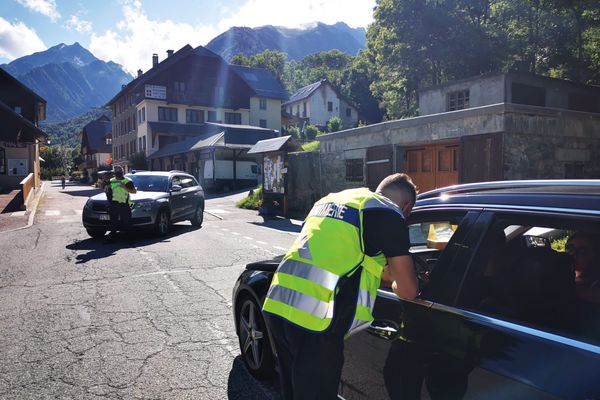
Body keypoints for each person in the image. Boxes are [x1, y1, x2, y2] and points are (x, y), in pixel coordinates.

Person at [262, 173, 418, 400]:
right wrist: (399, 281)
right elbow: (409, 291)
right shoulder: (388, 213)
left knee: (295, 392)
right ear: (406, 207)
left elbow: (339, 256)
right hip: (315, 320)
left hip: (278, 305)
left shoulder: (333, 200)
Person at [106, 166, 136, 243]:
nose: (117, 173)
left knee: (127, 222)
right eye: (116, 171)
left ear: (122, 172)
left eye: (119, 171)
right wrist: (106, 188)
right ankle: (112, 239)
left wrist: (125, 187)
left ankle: (131, 240)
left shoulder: (127, 181)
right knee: (113, 223)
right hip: (114, 204)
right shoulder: (111, 181)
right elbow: (106, 190)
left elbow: (134, 191)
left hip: (124, 204)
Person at [567, 232, 600, 303]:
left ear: (593, 254)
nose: (574, 254)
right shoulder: (562, 274)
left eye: (582, 250)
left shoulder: (596, 281)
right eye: (570, 249)